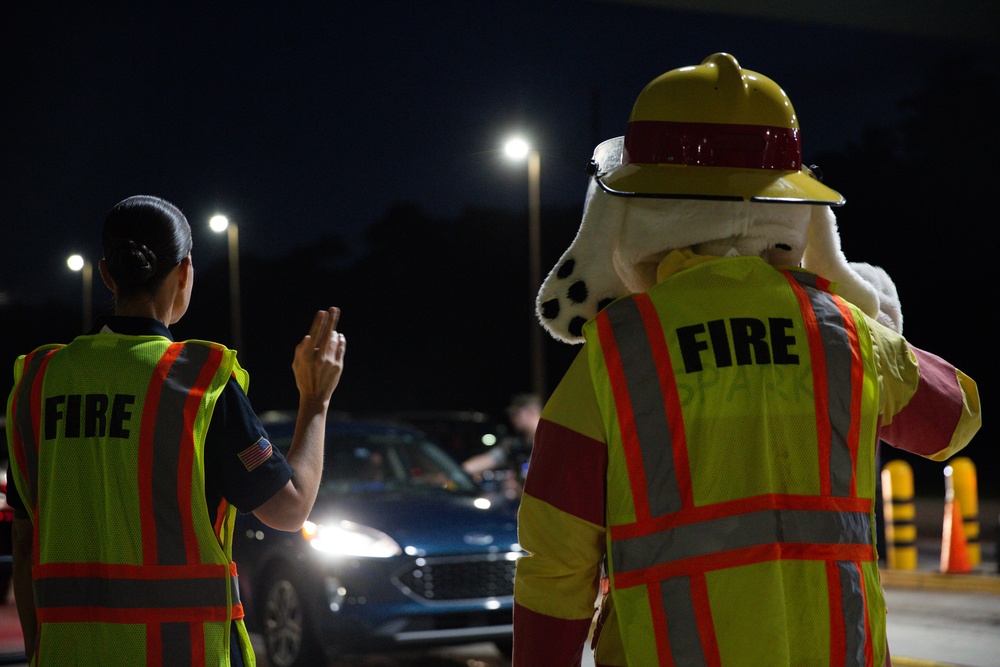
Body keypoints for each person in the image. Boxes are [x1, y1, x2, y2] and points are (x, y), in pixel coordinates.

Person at [512, 54, 981, 666]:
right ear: (795, 211)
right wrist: (866, 312)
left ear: (636, 210)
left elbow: (554, 560)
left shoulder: (615, 351)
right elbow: (952, 420)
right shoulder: (845, 332)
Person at [4, 195, 347, 666]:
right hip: (183, 654)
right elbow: (290, 510)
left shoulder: (37, 383)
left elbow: (24, 545)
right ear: (185, 273)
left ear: (106, 274)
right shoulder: (199, 382)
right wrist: (315, 401)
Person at [462, 393, 541, 499]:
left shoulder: (552, 441)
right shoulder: (516, 445)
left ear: (530, 412)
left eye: (516, 414)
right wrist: (455, 473)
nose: (512, 419)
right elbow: (488, 460)